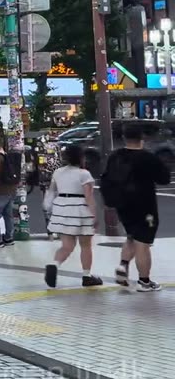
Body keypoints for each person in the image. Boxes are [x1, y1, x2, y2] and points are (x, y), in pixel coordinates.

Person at [104, 123, 171, 291]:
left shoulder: (115, 156)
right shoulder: (147, 157)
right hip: (145, 206)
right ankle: (144, 282)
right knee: (143, 244)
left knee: (132, 236)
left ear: (124, 138)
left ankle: (123, 266)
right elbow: (164, 179)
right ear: (142, 138)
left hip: (122, 205)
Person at [44, 144, 102, 288]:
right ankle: (86, 276)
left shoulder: (58, 172)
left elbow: (51, 191)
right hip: (80, 209)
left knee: (67, 246)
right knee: (86, 245)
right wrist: (94, 215)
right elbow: (88, 197)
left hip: (62, 208)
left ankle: (54, 265)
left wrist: (48, 207)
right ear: (81, 157)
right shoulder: (84, 174)